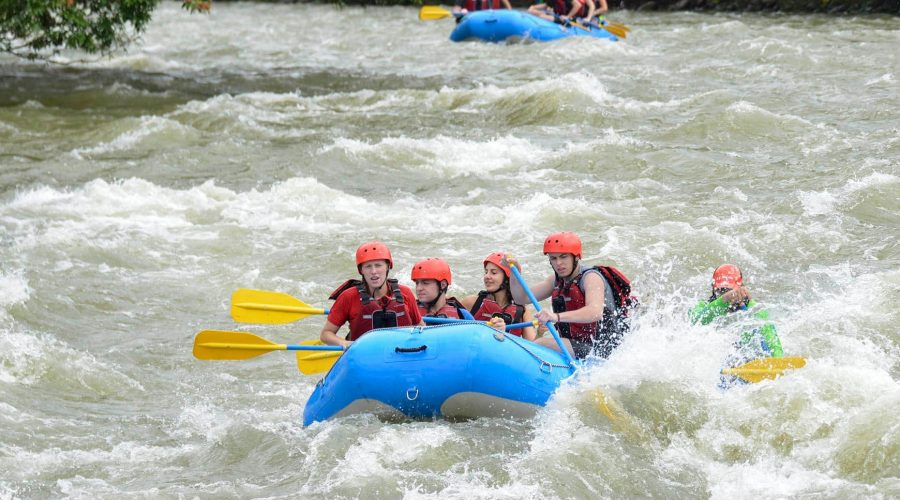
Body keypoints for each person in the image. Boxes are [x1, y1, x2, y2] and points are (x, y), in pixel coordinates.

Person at [508, 232, 632, 359]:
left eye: (563, 257)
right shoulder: (556, 280)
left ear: (576, 257)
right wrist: (514, 273)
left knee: (539, 343)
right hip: (578, 345)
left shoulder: (591, 277)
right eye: (553, 258)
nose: (559, 263)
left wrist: (556, 316)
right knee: (538, 343)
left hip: (603, 348)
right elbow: (521, 298)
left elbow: (595, 312)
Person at [320, 241, 424, 348]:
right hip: (364, 357)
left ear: (388, 267)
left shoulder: (405, 293)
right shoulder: (348, 297)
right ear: (361, 271)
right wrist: (343, 343)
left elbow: (422, 330)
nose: (373, 271)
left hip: (401, 355)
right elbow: (326, 334)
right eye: (368, 267)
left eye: (378, 265)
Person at [688, 264, 784, 359]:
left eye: (729, 290)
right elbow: (696, 323)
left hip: (747, 359)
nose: (726, 294)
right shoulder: (702, 306)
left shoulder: (753, 308)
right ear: (713, 289)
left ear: (740, 288)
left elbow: (773, 343)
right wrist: (723, 300)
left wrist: (778, 362)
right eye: (721, 291)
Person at [460, 252, 537, 341]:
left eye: (493, 272)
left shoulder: (522, 310)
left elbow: (532, 345)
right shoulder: (472, 302)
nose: (487, 276)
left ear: (507, 279)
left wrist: (540, 332)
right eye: (486, 272)